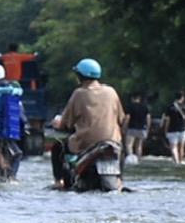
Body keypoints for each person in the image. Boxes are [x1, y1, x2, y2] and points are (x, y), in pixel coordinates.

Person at [47, 57, 126, 189]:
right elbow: (121, 118)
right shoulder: (111, 92)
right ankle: (119, 179)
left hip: (85, 143)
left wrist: (57, 123)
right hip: (112, 141)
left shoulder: (79, 94)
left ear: (79, 76)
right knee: (121, 150)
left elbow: (65, 123)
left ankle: (59, 181)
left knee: (57, 148)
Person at [124, 92, 151, 165]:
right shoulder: (145, 107)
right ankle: (139, 160)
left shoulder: (130, 106)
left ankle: (131, 159)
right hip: (142, 128)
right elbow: (148, 118)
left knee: (129, 145)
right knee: (139, 145)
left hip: (132, 127)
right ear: (139, 98)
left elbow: (127, 117)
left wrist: (124, 127)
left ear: (132, 98)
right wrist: (148, 128)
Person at [165, 92, 185, 162]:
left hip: (172, 130)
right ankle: (181, 160)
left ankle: (176, 161)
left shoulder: (170, 107)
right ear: (182, 97)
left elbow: (168, 120)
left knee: (173, 147)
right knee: (181, 147)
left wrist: (166, 129)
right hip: (183, 130)